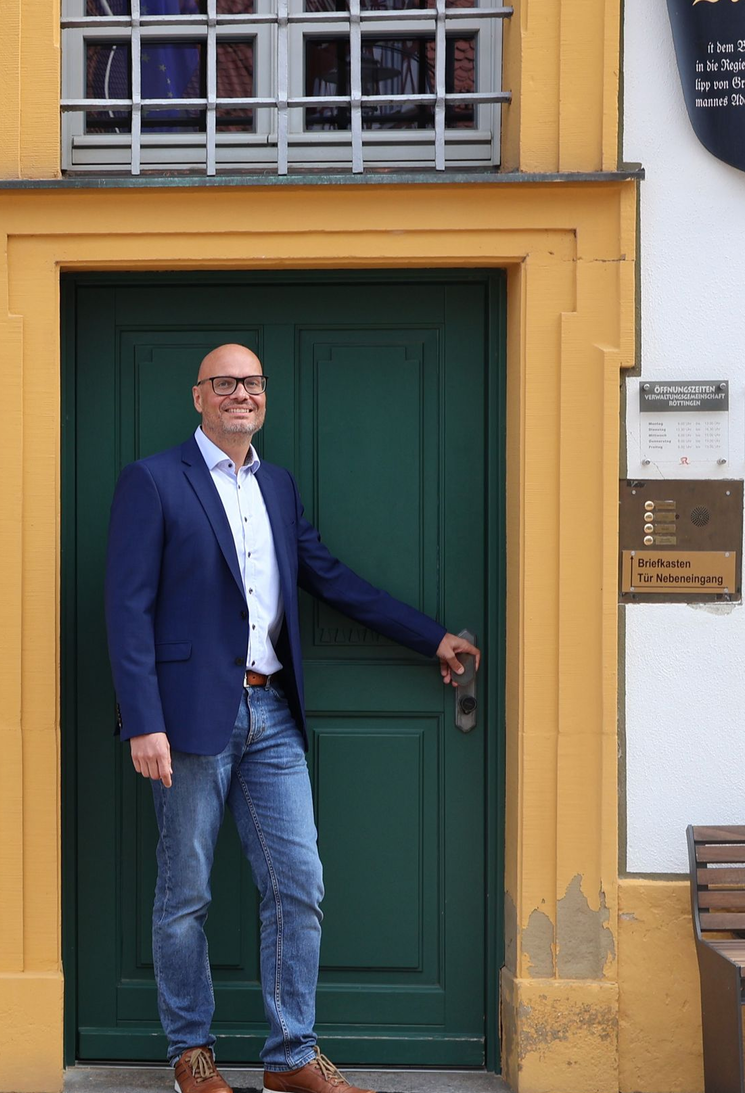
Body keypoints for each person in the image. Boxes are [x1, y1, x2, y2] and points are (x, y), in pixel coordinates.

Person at [105, 343, 481, 1093]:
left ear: (263, 395)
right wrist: (143, 719)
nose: (240, 393)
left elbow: (328, 576)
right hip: (186, 721)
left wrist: (429, 636)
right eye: (225, 383)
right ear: (199, 396)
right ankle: (192, 1052)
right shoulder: (154, 480)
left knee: (299, 882)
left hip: (272, 711)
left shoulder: (275, 484)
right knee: (186, 891)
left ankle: (290, 1056)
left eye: (251, 382)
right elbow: (127, 606)